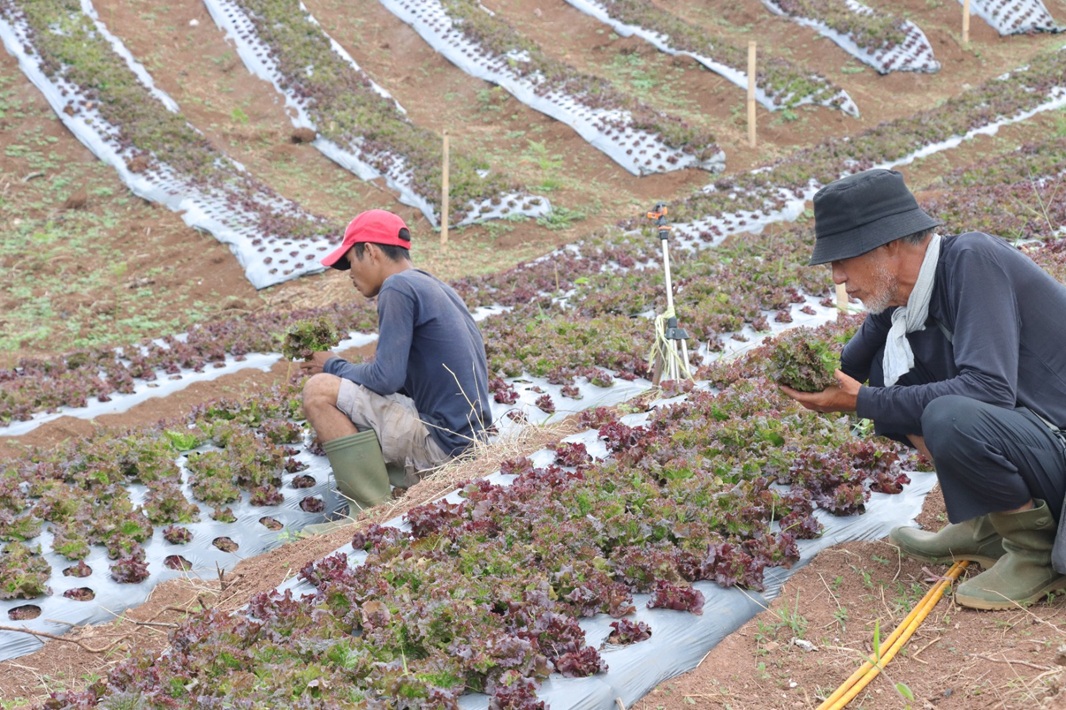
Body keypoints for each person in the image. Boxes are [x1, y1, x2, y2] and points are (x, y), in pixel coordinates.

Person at [780, 168, 1066, 610]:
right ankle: (989, 523)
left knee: (948, 414)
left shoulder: (973, 259)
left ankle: (1033, 552)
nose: (837, 277)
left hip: (1057, 436)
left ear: (889, 245)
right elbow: (851, 367)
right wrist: (800, 376)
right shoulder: (903, 301)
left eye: (842, 260)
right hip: (1032, 437)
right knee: (888, 372)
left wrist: (860, 401)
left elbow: (989, 390)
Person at [299, 209, 492, 512]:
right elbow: (396, 383)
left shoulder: (397, 287)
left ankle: (370, 512)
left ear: (371, 252)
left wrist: (332, 365)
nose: (350, 274)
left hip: (442, 446)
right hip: (469, 444)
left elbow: (386, 379)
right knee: (348, 387)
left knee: (320, 389)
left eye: (350, 262)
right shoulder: (437, 287)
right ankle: (390, 486)